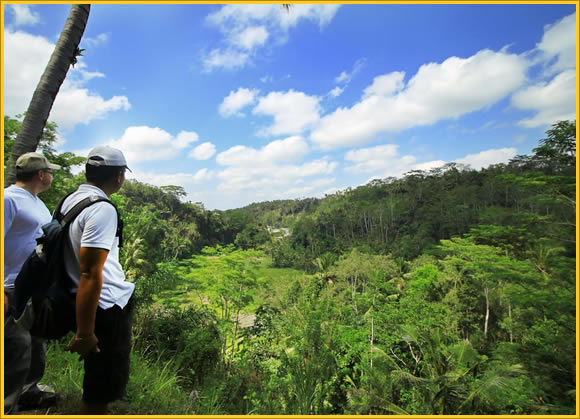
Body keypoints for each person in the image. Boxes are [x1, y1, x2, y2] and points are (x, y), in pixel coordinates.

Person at [61, 146, 135, 415]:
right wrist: (85, 331)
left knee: (99, 375)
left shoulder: (69, 200)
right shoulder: (102, 209)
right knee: (101, 382)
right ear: (118, 176)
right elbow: (90, 273)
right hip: (105, 305)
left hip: (81, 297)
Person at [4, 152, 61, 414]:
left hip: (32, 286)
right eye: (50, 171)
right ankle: (7, 404)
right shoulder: (8, 199)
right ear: (41, 175)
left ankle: (29, 391)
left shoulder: (36, 202)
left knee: (36, 342)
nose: (51, 175)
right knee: (17, 346)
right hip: (10, 285)